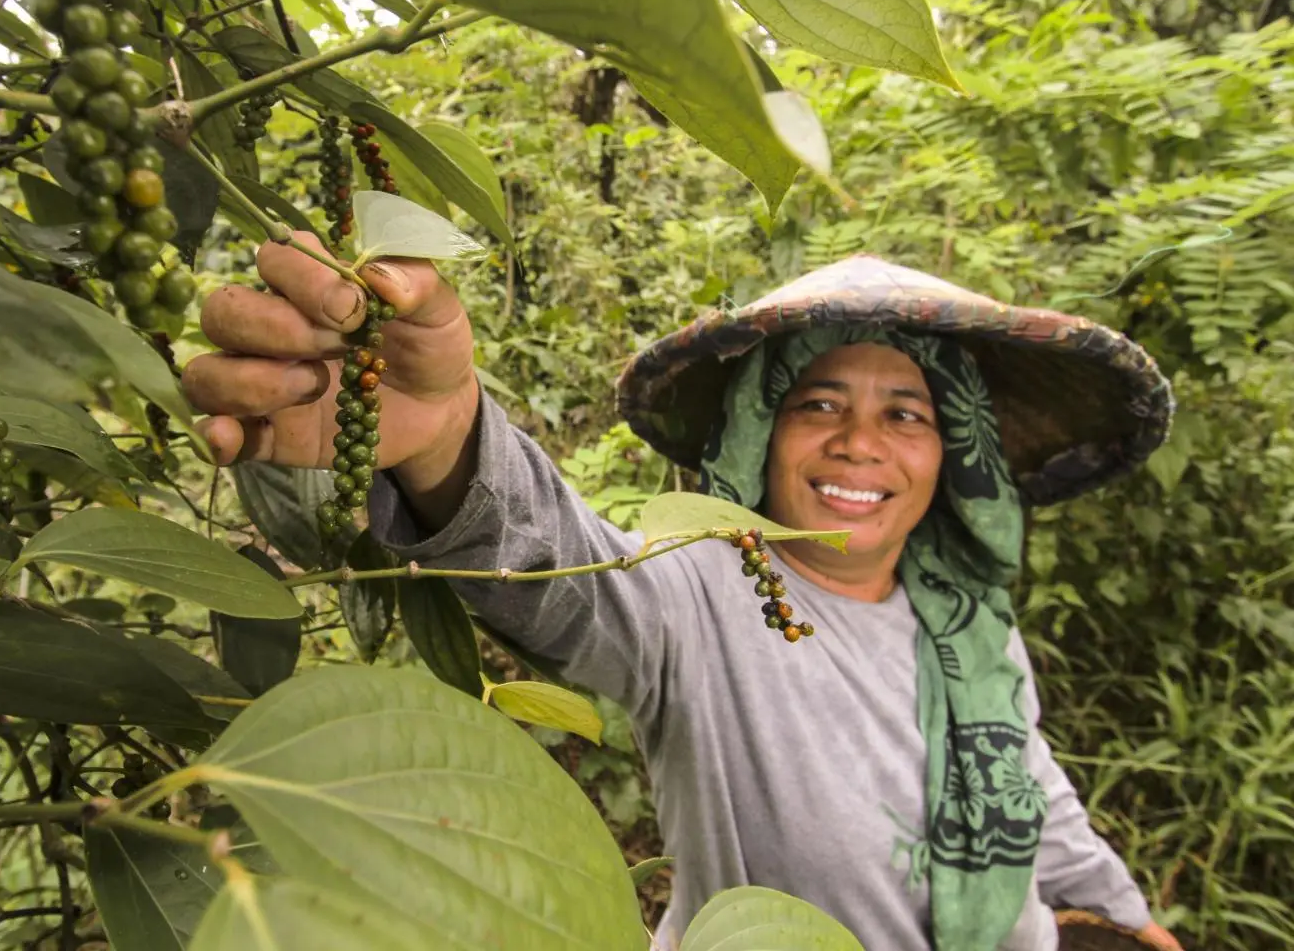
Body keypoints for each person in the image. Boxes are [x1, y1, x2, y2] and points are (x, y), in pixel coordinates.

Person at [183, 234, 1185, 951]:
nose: (859, 443)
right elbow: (559, 576)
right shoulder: (710, 589)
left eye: (907, 413)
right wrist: (445, 436)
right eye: (817, 403)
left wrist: (1126, 914)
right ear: (759, 434)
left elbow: (1034, 799)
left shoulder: (971, 626)